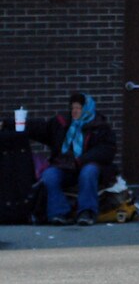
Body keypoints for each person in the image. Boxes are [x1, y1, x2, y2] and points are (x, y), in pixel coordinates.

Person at [30, 92, 117, 226]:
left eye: (78, 108)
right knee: (49, 175)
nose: (74, 111)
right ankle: (59, 212)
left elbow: (106, 150)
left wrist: (81, 160)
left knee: (88, 172)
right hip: (66, 167)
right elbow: (40, 129)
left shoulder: (100, 127)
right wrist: (10, 124)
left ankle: (87, 212)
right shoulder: (62, 124)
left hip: (88, 166)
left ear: (86, 109)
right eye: (73, 108)